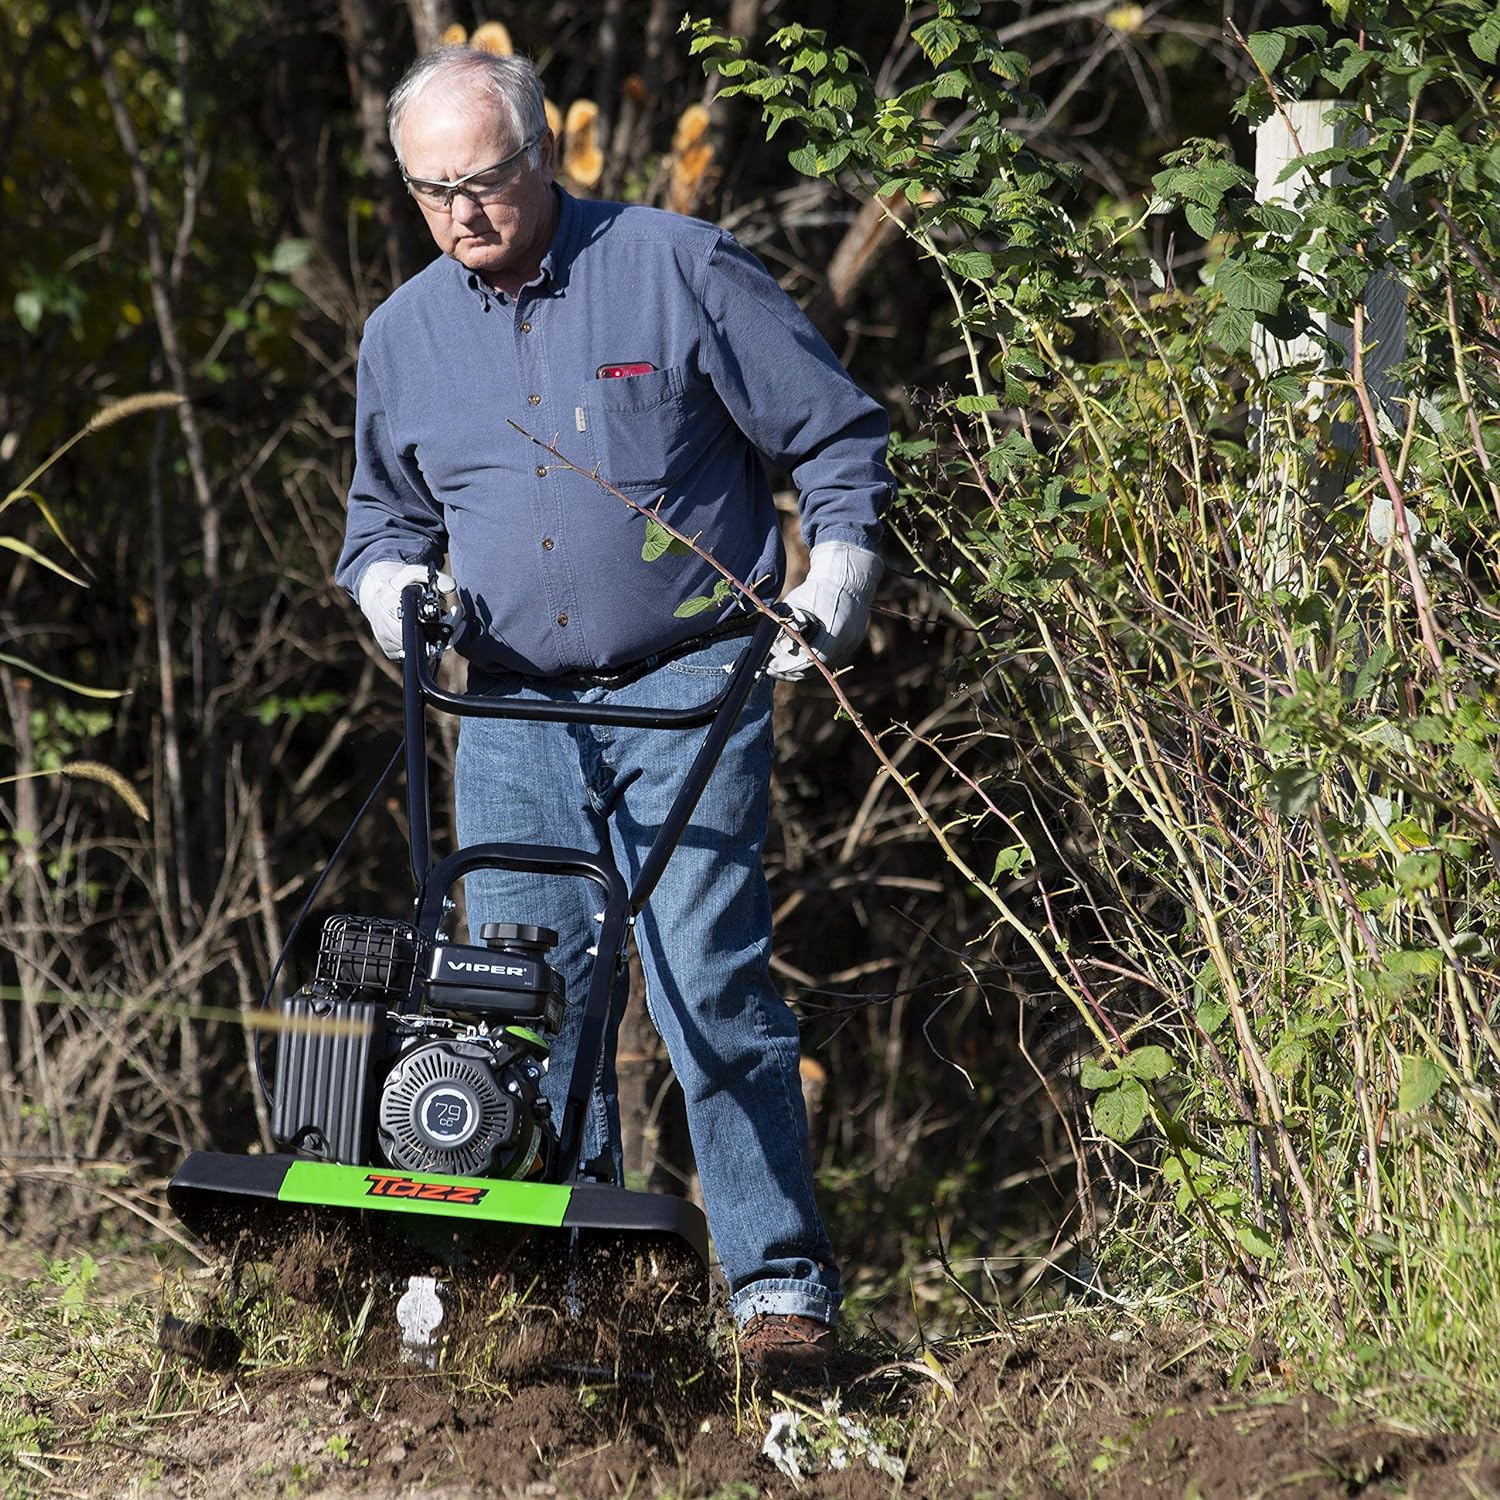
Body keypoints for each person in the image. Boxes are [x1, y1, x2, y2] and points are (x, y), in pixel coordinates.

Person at [335, 46, 891, 1373]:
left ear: (545, 157)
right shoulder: (404, 335)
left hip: (690, 681)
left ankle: (777, 1303)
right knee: (521, 1004)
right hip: (513, 703)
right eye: (431, 191)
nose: (461, 213)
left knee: (708, 989)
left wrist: (842, 576)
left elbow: (834, 435)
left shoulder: (676, 267)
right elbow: (380, 525)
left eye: (483, 181)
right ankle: (574, 1299)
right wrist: (400, 592)